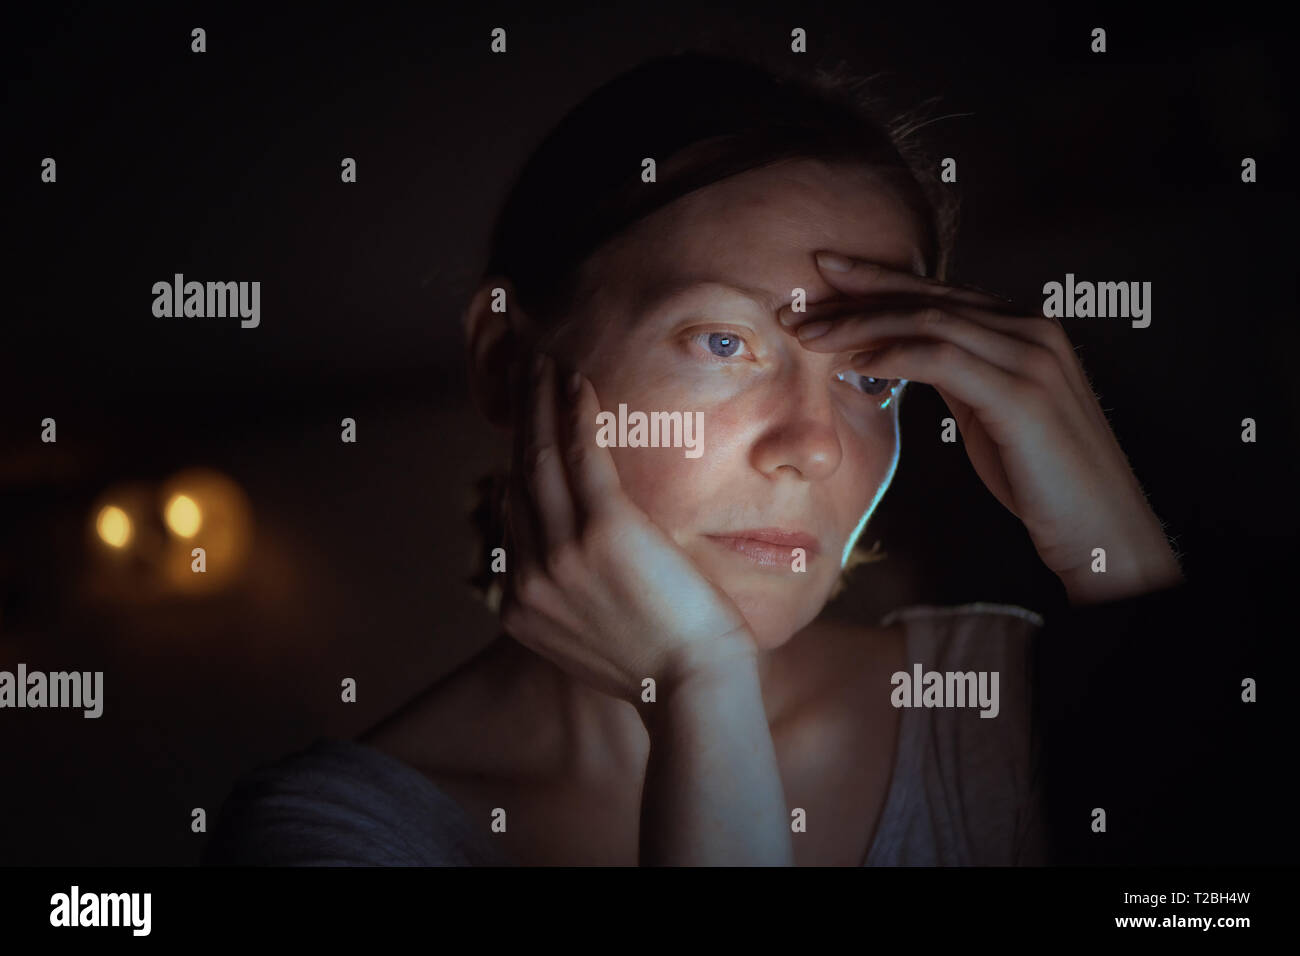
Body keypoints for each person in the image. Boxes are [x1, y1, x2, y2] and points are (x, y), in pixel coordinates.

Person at [202, 51, 1186, 867]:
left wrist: (1125, 556)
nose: (813, 443)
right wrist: (696, 686)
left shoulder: (1000, 696)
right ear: (507, 363)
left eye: (873, 377)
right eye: (722, 342)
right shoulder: (338, 839)